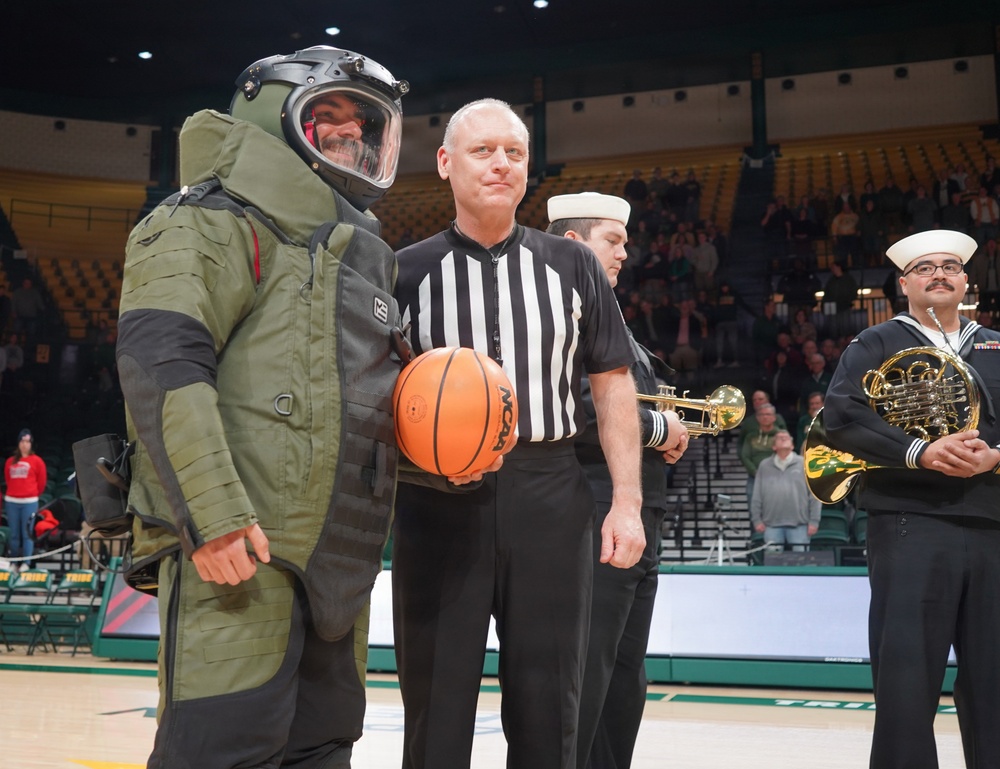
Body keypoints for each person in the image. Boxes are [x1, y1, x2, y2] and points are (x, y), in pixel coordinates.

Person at [115, 46, 410, 768]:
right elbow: (161, 366)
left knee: (325, 749)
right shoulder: (208, 219)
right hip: (239, 562)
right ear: (267, 115)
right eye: (327, 114)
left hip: (339, 571)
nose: (348, 132)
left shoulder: (364, 258)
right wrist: (211, 517)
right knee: (220, 752)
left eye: (361, 122)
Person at [391, 99, 644, 769]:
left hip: (551, 490)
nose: (501, 163)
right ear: (445, 163)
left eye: (515, 151)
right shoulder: (405, 271)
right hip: (436, 497)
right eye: (482, 150)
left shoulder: (573, 265)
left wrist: (627, 501)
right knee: (435, 707)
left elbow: (613, 382)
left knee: (550, 705)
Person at [822, 229, 1000, 769]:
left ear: (967, 280)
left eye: (949, 266)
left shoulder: (995, 343)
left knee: (995, 680)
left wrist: (996, 456)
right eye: (925, 268)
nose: (939, 274)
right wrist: (920, 451)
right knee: (906, 683)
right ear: (905, 284)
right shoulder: (875, 342)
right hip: (909, 523)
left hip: (993, 524)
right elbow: (841, 417)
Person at [545, 191, 690, 769]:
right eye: (614, 241)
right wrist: (657, 426)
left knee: (625, 676)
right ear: (576, 244)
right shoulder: (552, 310)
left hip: (637, 510)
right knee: (588, 670)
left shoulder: (608, 315)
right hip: (593, 507)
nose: (625, 254)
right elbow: (571, 407)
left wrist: (664, 433)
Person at [751, 430, 820, 551]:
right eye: (779, 438)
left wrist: (814, 521)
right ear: (774, 446)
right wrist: (756, 520)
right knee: (773, 565)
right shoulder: (764, 466)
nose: (783, 438)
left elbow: (815, 495)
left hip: (800, 525)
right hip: (771, 524)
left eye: (786, 437)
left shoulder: (805, 464)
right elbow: (757, 495)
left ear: (792, 445)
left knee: (801, 564)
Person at [3, 429, 47, 568]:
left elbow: (41, 483)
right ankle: (14, 562)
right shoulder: (10, 461)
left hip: (29, 502)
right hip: (12, 502)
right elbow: (8, 479)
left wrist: (31, 494)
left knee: (27, 534)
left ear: (31, 444)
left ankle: (26, 563)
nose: (24, 444)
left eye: (27, 441)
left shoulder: (37, 461)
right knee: (14, 535)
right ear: (18, 443)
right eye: (22, 441)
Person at [739, 403, 780, 504]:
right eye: (762, 415)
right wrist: (754, 472)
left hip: (777, 476)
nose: (765, 417)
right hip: (755, 477)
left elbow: (785, 454)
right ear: (757, 418)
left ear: (774, 417)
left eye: (768, 414)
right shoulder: (750, 436)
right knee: (751, 498)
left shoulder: (781, 435)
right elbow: (745, 456)